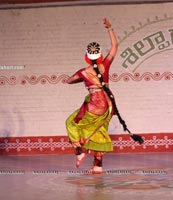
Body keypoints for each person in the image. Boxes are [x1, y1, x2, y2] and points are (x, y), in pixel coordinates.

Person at [65, 18, 118, 174]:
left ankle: (79, 150)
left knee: (71, 122)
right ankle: (98, 166)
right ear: (100, 55)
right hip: (109, 104)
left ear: (86, 56)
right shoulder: (105, 65)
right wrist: (110, 28)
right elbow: (115, 46)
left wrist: (81, 79)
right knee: (100, 131)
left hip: (96, 103)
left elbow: (69, 81)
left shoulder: (83, 72)